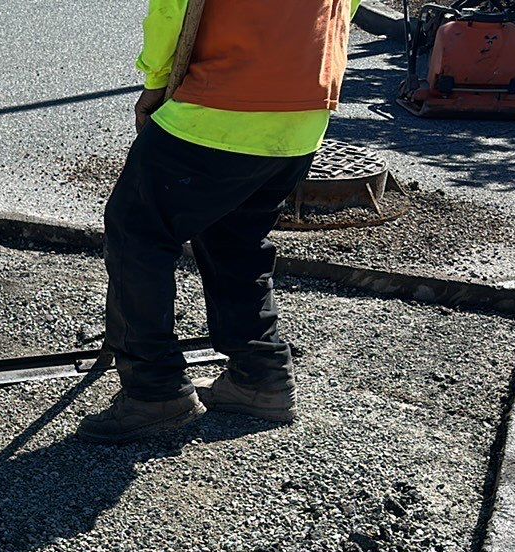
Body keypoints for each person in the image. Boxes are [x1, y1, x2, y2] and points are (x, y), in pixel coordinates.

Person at [78, 0, 363, 443]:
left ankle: (154, 392)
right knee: (237, 237)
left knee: (139, 232)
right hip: (304, 112)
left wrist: (156, 80)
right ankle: (260, 377)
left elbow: (173, 10)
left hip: (220, 104)